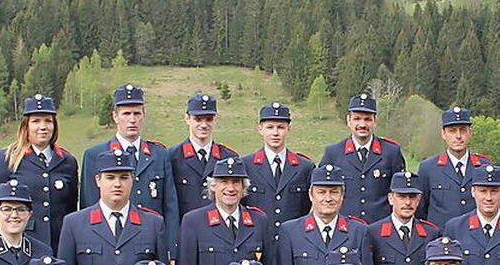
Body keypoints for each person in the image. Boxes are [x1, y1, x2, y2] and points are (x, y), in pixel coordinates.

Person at [59, 148, 166, 265]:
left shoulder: (152, 223)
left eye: (124, 177)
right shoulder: (74, 223)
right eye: (110, 177)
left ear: (133, 180)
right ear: (98, 180)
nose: (117, 184)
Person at [79, 84, 178, 252]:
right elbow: (88, 205)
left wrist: (170, 248)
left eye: (137, 113)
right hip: (109, 242)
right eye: (126, 113)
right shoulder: (95, 155)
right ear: (115, 117)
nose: (132, 119)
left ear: (143, 116)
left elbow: (170, 206)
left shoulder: (159, 154)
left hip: (150, 243)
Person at [176, 157, 275, 265]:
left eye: (236, 182)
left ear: (244, 188)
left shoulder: (259, 222)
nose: (230, 188)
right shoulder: (193, 221)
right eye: (224, 182)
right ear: (213, 186)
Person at [272, 164, 378, 265]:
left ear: (342, 195)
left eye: (334, 192)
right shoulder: (290, 231)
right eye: (321, 192)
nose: (328, 198)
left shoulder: (358, 231)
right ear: (310, 194)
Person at [0, 94, 77, 250]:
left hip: (59, 245)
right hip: (21, 244)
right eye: (36, 121)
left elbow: (71, 210)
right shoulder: (8, 158)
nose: (43, 127)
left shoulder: (68, 161)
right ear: (25, 126)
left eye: (48, 121)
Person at [319, 94, 405, 222]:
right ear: (348, 120)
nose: (362, 124)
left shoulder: (391, 152)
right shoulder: (333, 153)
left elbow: (401, 193)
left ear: (375, 121)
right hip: (345, 228)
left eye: (367, 119)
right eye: (357, 118)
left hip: (381, 230)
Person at [367, 171, 442, 265]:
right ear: (390, 198)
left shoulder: (431, 233)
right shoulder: (373, 233)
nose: (408, 202)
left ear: (418, 200)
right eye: (401, 196)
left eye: (412, 197)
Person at [241, 102, 315, 231]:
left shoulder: (305, 167)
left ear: (288, 128)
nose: (275, 133)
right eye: (270, 127)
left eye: (280, 127)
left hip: (294, 240)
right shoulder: (245, 165)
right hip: (258, 238)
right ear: (260, 129)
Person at [170, 94, 238, 224]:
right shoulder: (172, 157)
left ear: (216, 119)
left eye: (208, 119)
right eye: (198, 119)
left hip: (218, 232)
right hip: (185, 231)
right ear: (187, 118)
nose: (204, 125)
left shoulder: (228, 157)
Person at [417, 106, 491, 223]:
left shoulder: (484, 166)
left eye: (463, 130)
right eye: (452, 131)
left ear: (470, 133)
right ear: (443, 134)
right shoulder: (428, 168)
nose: (458, 136)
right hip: (441, 238)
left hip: (475, 238)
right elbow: (420, 210)